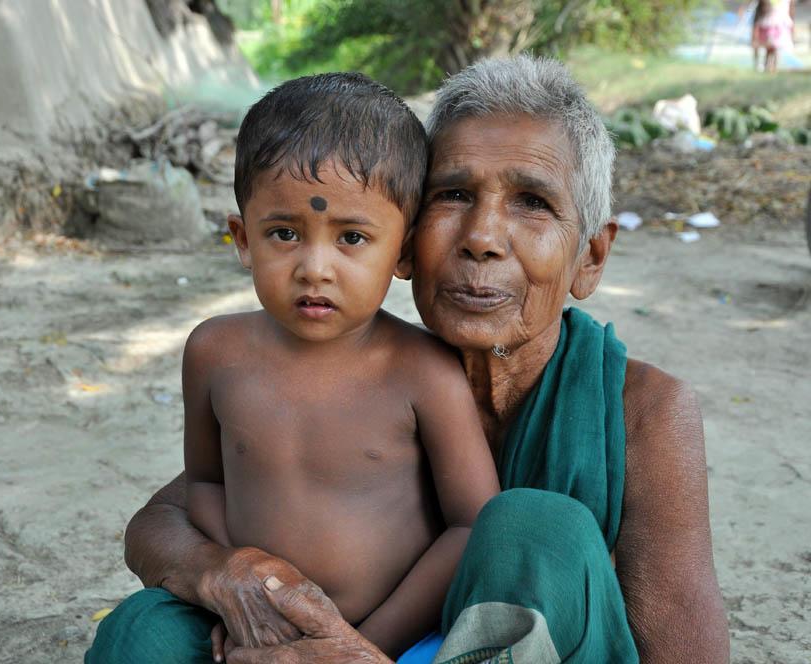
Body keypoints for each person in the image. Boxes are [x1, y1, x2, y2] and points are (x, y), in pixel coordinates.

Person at [88, 56, 730, 663]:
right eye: (452, 195)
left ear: (589, 257)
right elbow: (177, 510)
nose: (480, 238)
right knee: (145, 630)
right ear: (410, 233)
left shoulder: (643, 413)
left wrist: (360, 652)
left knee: (534, 526)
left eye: (532, 202)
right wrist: (228, 577)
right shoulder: (324, 367)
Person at [87, 72, 500, 662]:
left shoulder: (423, 372)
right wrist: (242, 590)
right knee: (134, 639)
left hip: (393, 640)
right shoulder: (213, 352)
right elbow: (204, 484)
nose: (314, 267)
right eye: (284, 233)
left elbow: (471, 528)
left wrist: (357, 648)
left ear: (405, 251)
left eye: (352, 238)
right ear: (242, 239)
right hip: (245, 627)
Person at [751, 0, 796, 72]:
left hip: (780, 24)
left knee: (775, 48)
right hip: (769, 23)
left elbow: (790, 10)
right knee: (770, 47)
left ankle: (773, 66)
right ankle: (767, 65)